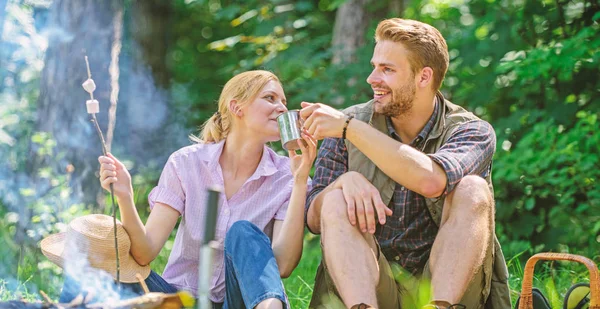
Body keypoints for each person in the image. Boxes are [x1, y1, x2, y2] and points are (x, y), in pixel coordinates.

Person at [299, 18, 511, 309]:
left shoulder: (472, 131)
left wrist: (350, 128)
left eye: (387, 69)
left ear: (423, 77)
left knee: (473, 189)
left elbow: (431, 181)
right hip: (371, 285)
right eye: (374, 66)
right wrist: (341, 183)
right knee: (335, 198)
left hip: (450, 288)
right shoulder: (347, 125)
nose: (372, 78)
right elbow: (312, 218)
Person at [61, 70, 316, 309]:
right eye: (270, 98)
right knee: (94, 263)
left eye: (283, 100)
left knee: (243, 232)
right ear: (236, 107)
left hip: (239, 303)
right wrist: (125, 196)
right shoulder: (186, 163)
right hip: (181, 300)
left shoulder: (287, 176)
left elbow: (282, 265)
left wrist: (301, 179)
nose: (282, 107)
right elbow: (145, 252)